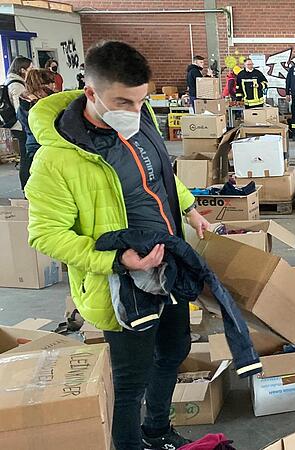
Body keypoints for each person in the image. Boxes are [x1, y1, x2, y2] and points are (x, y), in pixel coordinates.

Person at [26, 41, 212, 450]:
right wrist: (116, 259)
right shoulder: (56, 161)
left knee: (174, 350)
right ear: (90, 93)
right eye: (122, 102)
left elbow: (159, 177)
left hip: (169, 265)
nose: (133, 112)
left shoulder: (141, 123)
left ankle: (158, 431)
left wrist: (190, 208)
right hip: (122, 286)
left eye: (140, 101)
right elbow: (45, 234)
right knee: (131, 381)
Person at [16, 68, 55, 190]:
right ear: (41, 86)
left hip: (32, 144)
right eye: (50, 83)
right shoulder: (44, 104)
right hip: (43, 145)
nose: (53, 86)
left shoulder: (23, 104)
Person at [4, 56, 31, 186]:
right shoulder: (17, 85)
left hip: (18, 125)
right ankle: (26, 186)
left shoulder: (13, 82)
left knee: (26, 157)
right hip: (21, 126)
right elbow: (19, 109)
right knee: (26, 158)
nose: (32, 70)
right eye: (30, 68)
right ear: (22, 70)